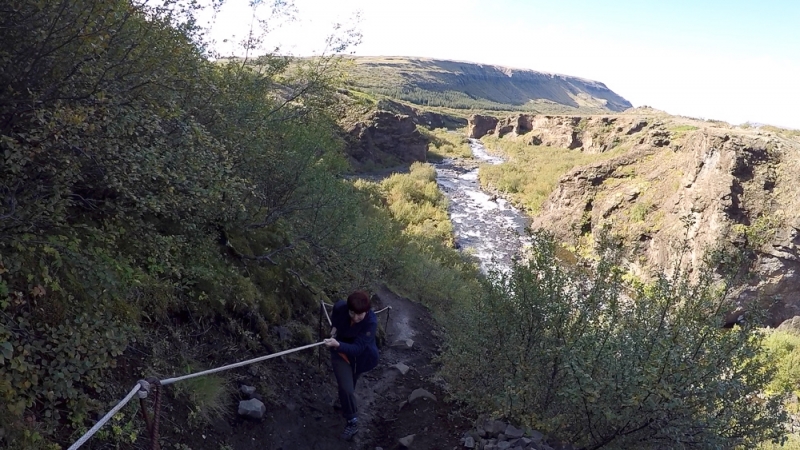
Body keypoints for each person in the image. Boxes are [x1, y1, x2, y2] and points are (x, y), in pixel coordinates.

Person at [323, 290, 379, 440]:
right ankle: (352, 421)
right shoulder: (342, 307)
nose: (355, 317)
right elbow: (336, 311)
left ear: (366, 311)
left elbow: (357, 349)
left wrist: (337, 343)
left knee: (350, 382)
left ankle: (344, 402)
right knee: (346, 387)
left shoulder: (370, 323)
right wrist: (334, 329)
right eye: (352, 313)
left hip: (360, 357)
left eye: (359, 315)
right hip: (340, 353)